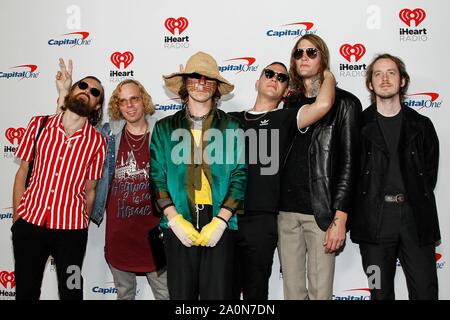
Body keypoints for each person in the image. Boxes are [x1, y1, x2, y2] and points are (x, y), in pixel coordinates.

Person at [230, 61, 336, 300]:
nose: (274, 78)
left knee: (255, 293)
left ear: (286, 91)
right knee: (224, 290)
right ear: (257, 81)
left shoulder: (285, 118)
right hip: (226, 218)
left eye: (281, 77)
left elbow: (324, 104)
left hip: (262, 218)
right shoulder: (231, 119)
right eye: (269, 73)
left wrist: (326, 72)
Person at [150, 51, 247, 299]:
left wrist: (221, 221)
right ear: (185, 84)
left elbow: (239, 176)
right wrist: (174, 220)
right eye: (194, 77)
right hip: (178, 221)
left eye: (208, 79)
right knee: (181, 298)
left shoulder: (233, 127)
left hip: (219, 222)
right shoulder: (163, 128)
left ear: (216, 87)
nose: (201, 84)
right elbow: (157, 178)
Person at [278, 34, 362, 300]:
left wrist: (340, 217)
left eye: (311, 52)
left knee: (320, 294)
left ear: (323, 57)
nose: (304, 57)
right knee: (292, 293)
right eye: (298, 53)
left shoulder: (346, 103)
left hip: (322, 213)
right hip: (285, 212)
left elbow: (350, 163)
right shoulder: (288, 103)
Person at [350, 53, 440, 300]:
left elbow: (428, 174)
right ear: (370, 83)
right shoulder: (357, 126)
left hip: (415, 221)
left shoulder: (422, 126)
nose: (385, 79)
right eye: (378, 74)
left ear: (402, 81)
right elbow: (350, 175)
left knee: (425, 292)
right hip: (373, 225)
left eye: (391, 72)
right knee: (379, 293)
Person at [12, 68, 106, 300]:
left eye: (95, 92)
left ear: (96, 106)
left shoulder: (97, 143)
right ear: (72, 91)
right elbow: (22, 172)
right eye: (82, 86)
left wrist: (81, 226)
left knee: (72, 291)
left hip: (71, 233)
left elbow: (90, 190)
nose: (87, 91)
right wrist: (17, 219)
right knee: (26, 292)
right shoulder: (38, 125)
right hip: (30, 225)